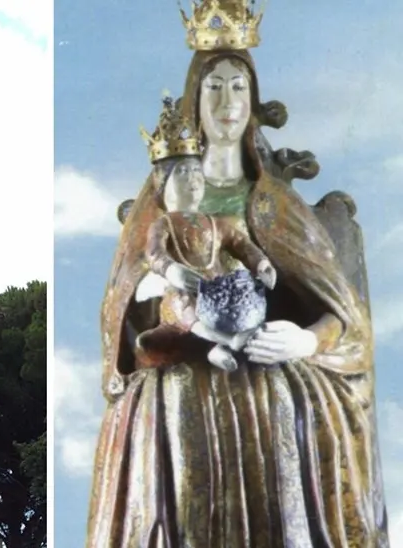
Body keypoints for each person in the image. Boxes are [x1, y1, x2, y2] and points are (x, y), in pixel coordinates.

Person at [86, 1, 388, 545]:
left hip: (272, 371)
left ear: (254, 101)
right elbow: (121, 311)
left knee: (280, 402)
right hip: (178, 359)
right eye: (214, 87)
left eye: (238, 88)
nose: (227, 102)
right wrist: (155, 295)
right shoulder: (159, 201)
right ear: (194, 98)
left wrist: (304, 340)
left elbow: (347, 318)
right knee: (171, 402)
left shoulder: (275, 203)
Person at [133, 100, 277, 372]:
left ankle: (219, 348)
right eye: (183, 172)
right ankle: (226, 342)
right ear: (164, 183)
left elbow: (240, 244)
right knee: (181, 304)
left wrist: (261, 264)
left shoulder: (216, 223)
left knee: (248, 301)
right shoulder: (163, 224)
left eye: (196, 171)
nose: (193, 179)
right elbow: (154, 253)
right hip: (183, 291)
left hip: (220, 289)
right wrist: (172, 270)